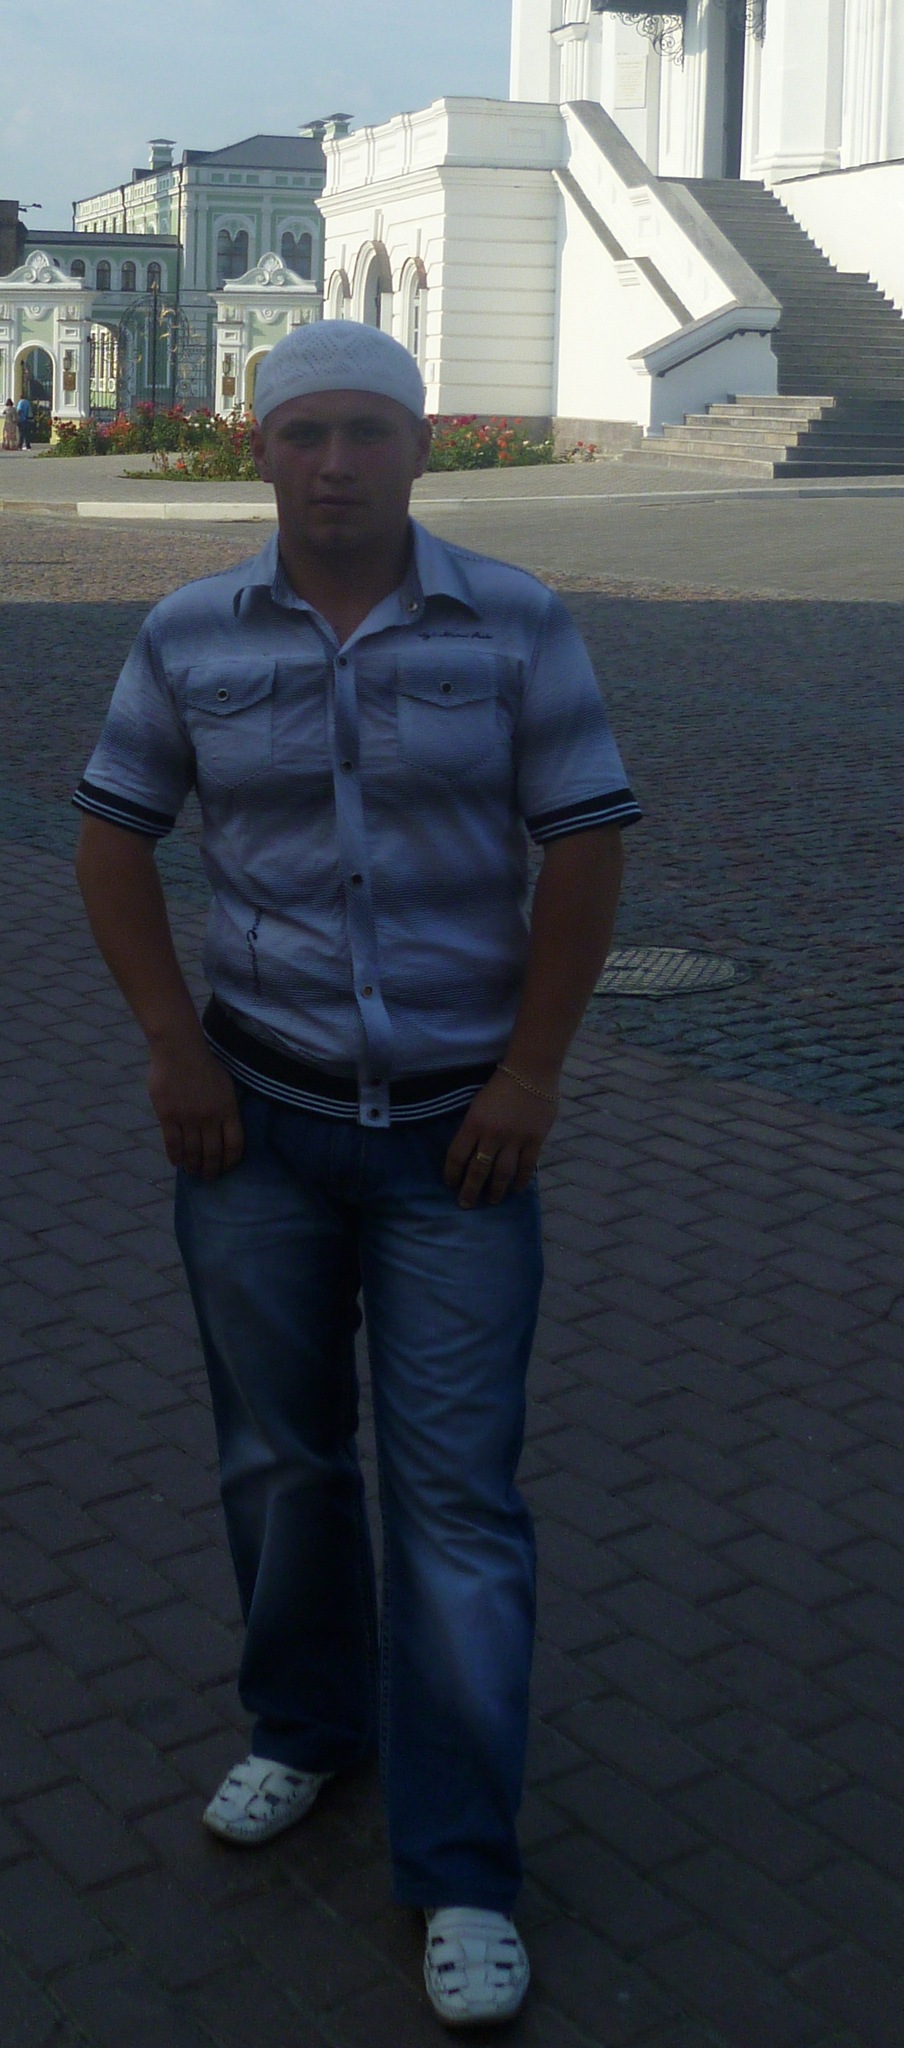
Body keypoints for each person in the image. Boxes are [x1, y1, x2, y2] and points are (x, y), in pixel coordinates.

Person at [74, 320, 640, 2030]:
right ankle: (307, 1727)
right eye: (305, 431)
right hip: (255, 1123)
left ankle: (461, 1865)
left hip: (460, 1141)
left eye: (368, 431)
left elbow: (586, 845)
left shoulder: (514, 621)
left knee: (458, 1501)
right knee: (280, 1462)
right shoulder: (189, 632)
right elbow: (113, 837)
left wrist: (532, 1075)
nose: (335, 463)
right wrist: (172, 1046)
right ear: (260, 449)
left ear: (421, 446)